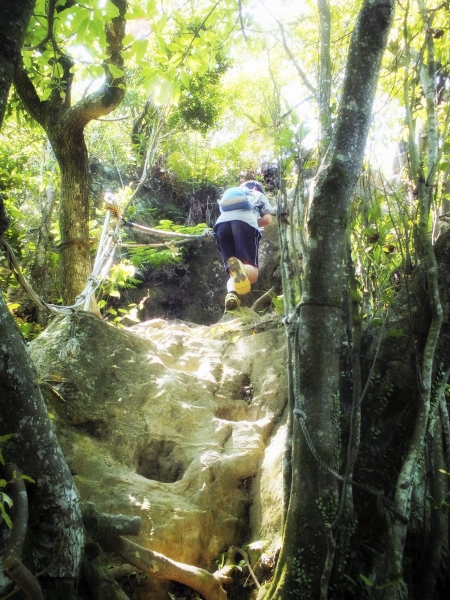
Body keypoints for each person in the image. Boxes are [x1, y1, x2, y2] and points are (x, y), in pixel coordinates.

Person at [214, 180, 276, 311]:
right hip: (244, 224)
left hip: (221, 226)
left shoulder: (229, 196)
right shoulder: (256, 193)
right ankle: (242, 268)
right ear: (255, 187)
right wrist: (255, 223)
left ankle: (232, 294)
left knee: (233, 272)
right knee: (252, 274)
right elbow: (267, 219)